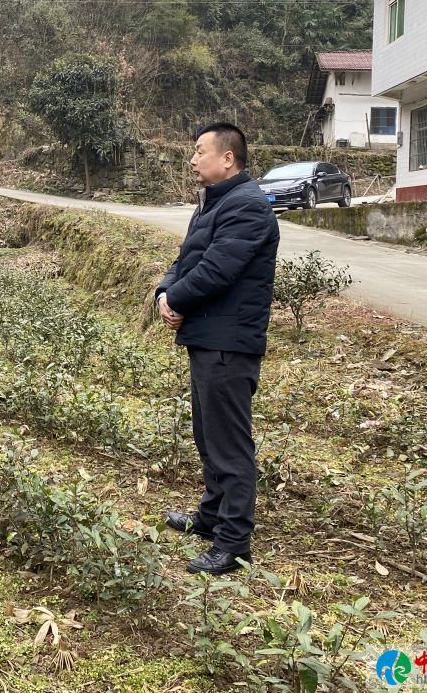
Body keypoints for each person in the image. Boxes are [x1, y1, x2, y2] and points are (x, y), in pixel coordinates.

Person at [155, 123, 279, 575]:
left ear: (228, 158)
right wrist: (164, 294)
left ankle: (233, 540)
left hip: (229, 342)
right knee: (207, 434)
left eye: (200, 151)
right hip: (207, 338)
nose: (193, 159)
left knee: (229, 444)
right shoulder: (212, 204)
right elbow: (185, 261)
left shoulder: (247, 207)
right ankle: (210, 516)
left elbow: (216, 271)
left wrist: (178, 298)